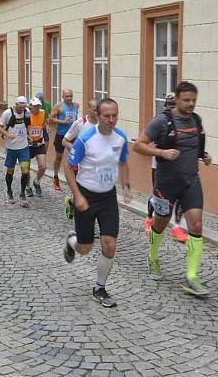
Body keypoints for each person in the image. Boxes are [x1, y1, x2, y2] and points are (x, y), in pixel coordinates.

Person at [133, 81, 212, 297]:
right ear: (176, 99)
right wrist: (161, 153)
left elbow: (193, 147)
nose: (190, 104)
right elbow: (138, 145)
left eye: (194, 100)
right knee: (161, 222)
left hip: (190, 181)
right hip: (166, 183)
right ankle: (153, 256)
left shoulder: (196, 120)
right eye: (186, 100)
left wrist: (203, 156)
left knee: (196, 224)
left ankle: (191, 276)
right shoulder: (162, 121)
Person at [63, 98, 130, 307]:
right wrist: (78, 196)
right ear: (98, 116)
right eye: (107, 116)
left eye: (115, 115)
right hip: (86, 196)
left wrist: (126, 185)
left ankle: (100, 288)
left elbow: (123, 161)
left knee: (109, 245)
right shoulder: (86, 139)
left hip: (108, 197)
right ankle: (72, 242)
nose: (111, 120)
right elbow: (68, 167)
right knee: (85, 248)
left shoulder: (121, 137)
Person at [143, 93, 188, 243]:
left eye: (174, 105)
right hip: (160, 165)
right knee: (157, 195)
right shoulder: (159, 120)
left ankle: (176, 226)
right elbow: (149, 139)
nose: (171, 108)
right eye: (169, 105)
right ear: (165, 106)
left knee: (180, 196)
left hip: (179, 166)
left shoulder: (185, 122)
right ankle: (149, 219)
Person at [61, 98, 99, 219]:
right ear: (88, 110)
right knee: (82, 194)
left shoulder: (103, 124)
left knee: (92, 194)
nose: (98, 113)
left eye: (99, 110)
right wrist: (76, 150)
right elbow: (64, 141)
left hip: (95, 164)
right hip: (79, 163)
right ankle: (73, 203)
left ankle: (74, 203)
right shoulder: (80, 123)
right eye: (95, 110)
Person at [0, 96, 32, 207]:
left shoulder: (26, 112)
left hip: (23, 147)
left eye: (24, 107)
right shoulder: (7, 113)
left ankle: (22, 194)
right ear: (16, 104)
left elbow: (28, 124)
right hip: (11, 147)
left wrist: (29, 134)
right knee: (10, 171)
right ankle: (9, 191)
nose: (22, 109)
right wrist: (7, 134)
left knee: (25, 171)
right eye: (20, 106)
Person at [50, 89, 79, 191]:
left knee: (75, 156)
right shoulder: (59, 106)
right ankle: (56, 177)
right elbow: (51, 118)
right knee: (59, 156)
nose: (69, 98)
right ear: (63, 97)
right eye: (67, 96)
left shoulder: (76, 105)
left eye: (70, 96)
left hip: (73, 135)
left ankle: (75, 181)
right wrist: (62, 121)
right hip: (61, 134)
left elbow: (76, 118)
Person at [26, 98, 49, 197]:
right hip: (27, 144)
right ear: (30, 106)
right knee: (26, 168)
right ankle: (27, 187)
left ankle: (37, 181)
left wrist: (46, 127)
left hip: (39, 143)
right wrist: (27, 136)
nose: (37, 108)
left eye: (38, 106)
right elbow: (22, 128)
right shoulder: (26, 115)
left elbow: (42, 123)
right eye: (35, 106)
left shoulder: (42, 113)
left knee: (43, 166)